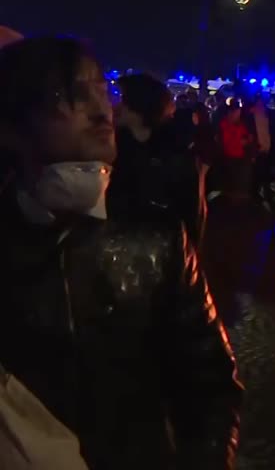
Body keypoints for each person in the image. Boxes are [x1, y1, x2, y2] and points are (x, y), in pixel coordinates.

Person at [0, 37, 241, 468]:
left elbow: (210, 382)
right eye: (65, 97)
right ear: (13, 123)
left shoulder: (157, 236)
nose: (100, 111)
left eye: (101, 91)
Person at [107, 73, 206, 250]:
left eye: (120, 98)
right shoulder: (113, 148)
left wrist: (186, 254)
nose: (114, 105)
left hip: (161, 254)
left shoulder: (176, 153)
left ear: (139, 105)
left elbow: (192, 215)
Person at [217, 101, 251, 202]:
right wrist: (240, 140)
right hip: (229, 157)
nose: (238, 114)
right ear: (231, 112)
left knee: (237, 184)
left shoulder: (241, 124)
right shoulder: (224, 124)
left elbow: (245, 136)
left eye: (239, 112)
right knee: (230, 184)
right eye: (237, 112)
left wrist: (247, 140)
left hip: (240, 156)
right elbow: (226, 141)